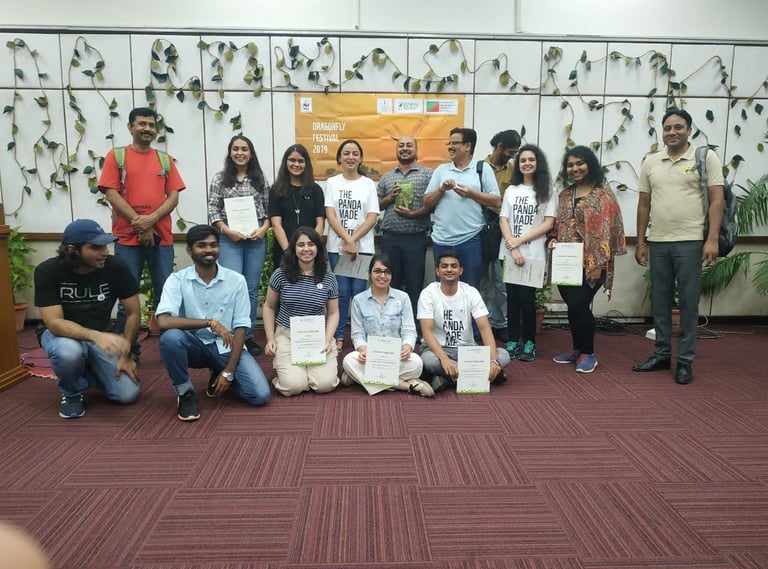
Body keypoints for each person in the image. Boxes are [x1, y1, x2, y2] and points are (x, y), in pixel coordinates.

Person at [633, 108, 724, 384]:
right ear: (662, 132)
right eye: (668, 128)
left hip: (691, 241)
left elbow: (717, 200)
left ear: (689, 130)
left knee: (688, 303)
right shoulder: (651, 161)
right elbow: (644, 204)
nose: (672, 132)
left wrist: (712, 239)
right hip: (659, 242)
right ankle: (661, 354)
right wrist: (641, 241)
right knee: (660, 302)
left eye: (678, 127)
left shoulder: (704, 157)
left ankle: (684, 360)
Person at [155, 225, 270, 422]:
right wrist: (210, 323)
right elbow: (163, 321)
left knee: (259, 395)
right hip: (193, 345)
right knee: (171, 338)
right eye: (201, 245)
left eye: (213, 245)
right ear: (190, 250)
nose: (209, 250)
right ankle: (185, 392)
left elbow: (241, 328)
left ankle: (219, 371)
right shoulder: (177, 280)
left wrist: (229, 372)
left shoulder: (236, 281)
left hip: (226, 346)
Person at [98, 106, 186, 363]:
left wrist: (151, 220)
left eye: (151, 125)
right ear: (130, 127)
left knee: (166, 296)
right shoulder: (117, 156)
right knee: (127, 297)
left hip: (162, 239)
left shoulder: (164, 160)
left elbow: (173, 196)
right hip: (127, 239)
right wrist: (142, 225)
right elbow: (111, 193)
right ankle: (128, 352)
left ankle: (172, 350)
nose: (147, 128)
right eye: (142, 124)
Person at [34, 219, 141, 419]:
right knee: (69, 352)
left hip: (100, 334)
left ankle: (84, 369)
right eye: (96, 247)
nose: (105, 252)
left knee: (127, 394)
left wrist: (126, 355)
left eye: (105, 246)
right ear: (72, 249)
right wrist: (95, 336)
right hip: (61, 336)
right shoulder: (47, 271)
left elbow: (133, 312)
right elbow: (54, 323)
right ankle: (72, 393)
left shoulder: (116, 267)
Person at [550, 146, 626, 373]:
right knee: (573, 306)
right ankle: (577, 349)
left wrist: (599, 262)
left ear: (590, 164)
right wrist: (552, 239)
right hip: (565, 262)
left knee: (579, 304)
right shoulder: (565, 195)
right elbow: (557, 225)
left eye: (579, 163)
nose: (575, 168)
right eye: (570, 165)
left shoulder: (603, 194)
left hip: (594, 262)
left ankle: (588, 353)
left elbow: (611, 228)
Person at [207, 134, 271, 357]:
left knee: (251, 289)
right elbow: (213, 210)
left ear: (251, 153)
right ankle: (230, 334)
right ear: (230, 152)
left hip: (256, 238)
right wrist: (226, 231)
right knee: (232, 287)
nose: (240, 153)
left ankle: (248, 336)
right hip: (229, 238)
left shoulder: (259, 179)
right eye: (236, 149)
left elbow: (269, 210)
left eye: (244, 149)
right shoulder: (219, 178)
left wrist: (263, 229)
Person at [417, 250, 511, 392]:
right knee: (428, 361)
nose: (449, 269)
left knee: (503, 355)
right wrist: (445, 359)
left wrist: (493, 361)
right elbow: (427, 333)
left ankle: (449, 378)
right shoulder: (428, 294)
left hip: (467, 350)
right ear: (437, 271)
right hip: (438, 350)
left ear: (460, 271)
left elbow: (485, 328)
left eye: (454, 266)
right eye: (444, 266)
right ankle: (479, 374)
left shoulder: (470, 292)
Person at [341, 254, 433, 397]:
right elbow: (357, 334)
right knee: (349, 360)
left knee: (417, 363)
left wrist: (407, 347)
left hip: (396, 356)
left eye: (387, 272)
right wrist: (363, 350)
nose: (382, 276)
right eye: (377, 271)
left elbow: (409, 330)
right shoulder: (359, 300)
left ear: (392, 275)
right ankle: (405, 385)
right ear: (370, 273)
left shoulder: (403, 298)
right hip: (371, 356)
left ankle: (360, 377)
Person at [263, 227, 340, 396]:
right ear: (293, 248)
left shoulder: (329, 278)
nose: (306, 249)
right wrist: (270, 339)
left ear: (318, 248)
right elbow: (269, 306)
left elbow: (334, 313)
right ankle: (297, 374)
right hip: (287, 335)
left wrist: (328, 340)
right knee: (293, 386)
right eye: (301, 245)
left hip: (318, 336)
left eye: (311, 244)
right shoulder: (280, 274)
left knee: (325, 385)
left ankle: (307, 372)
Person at [424, 127, 501, 289]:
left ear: (467, 146)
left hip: (471, 240)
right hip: (441, 240)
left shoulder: (482, 169)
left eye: (455, 143)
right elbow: (427, 203)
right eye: (449, 143)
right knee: (443, 289)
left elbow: (496, 201)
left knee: (470, 289)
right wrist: (441, 190)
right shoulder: (441, 170)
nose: (450, 147)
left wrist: (471, 193)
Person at [499, 144, 556, 362]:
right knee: (512, 299)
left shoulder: (548, 190)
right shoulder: (511, 190)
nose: (527, 163)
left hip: (533, 253)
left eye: (531, 159)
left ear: (538, 162)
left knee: (527, 300)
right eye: (523, 160)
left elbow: (548, 223)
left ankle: (530, 342)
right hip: (510, 253)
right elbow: (503, 220)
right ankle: (513, 340)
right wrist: (513, 247)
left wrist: (519, 241)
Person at [324, 139, 380, 349]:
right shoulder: (332, 182)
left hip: (362, 249)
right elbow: (330, 215)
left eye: (355, 153)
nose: (350, 157)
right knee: (341, 293)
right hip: (337, 248)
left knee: (359, 294)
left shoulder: (368, 184)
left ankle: (359, 338)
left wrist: (354, 241)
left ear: (361, 158)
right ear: (339, 158)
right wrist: (347, 241)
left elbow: (372, 217)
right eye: (346, 153)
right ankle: (339, 336)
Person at [376, 135, 434, 322]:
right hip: (390, 238)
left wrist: (413, 213)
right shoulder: (387, 177)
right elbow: (375, 206)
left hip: (415, 238)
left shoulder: (428, 174)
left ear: (416, 150)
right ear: (396, 150)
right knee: (389, 282)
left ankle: (414, 327)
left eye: (409, 145)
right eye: (401, 145)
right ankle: (391, 324)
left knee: (414, 284)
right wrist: (390, 198)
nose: (405, 148)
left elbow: (433, 204)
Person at [481, 130, 521, 342]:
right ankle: (484, 322)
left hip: (504, 229)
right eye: (510, 152)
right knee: (480, 280)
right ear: (499, 147)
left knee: (501, 280)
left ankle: (502, 323)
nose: (512, 156)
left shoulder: (514, 170)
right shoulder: (479, 168)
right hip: (480, 227)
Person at [269, 143, 325, 270]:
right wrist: (289, 252)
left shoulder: (316, 190)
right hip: (284, 251)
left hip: (310, 254)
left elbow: (320, 223)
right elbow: (276, 224)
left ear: (306, 164)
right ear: (286, 162)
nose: (296, 164)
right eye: (292, 160)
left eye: (301, 161)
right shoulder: (276, 190)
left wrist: (311, 248)